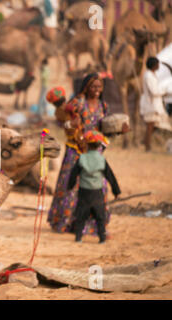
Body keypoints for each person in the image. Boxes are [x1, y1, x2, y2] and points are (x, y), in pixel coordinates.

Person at [47, 73, 110, 236]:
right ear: (86, 87)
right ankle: (66, 222)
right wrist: (71, 124)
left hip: (95, 152)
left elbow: (104, 128)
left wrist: (116, 131)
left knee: (97, 188)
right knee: (71, 186)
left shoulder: (103, 106)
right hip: (75, 150)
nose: (96, 90)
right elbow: (64, 124)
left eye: (99, 87)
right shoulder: (77, 103)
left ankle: (94, 225)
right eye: (93, 87)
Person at [68, 130, 121, 243]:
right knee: (100, 217)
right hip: (97, 193)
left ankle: (78, 237)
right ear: (99, 145)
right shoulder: (102, 160)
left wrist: (70, 186)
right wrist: (116, 191)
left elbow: (73, 175)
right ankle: (102, 238)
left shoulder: (81, 158)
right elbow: (110, 176)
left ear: (86, 144)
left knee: (81, 215)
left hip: (84, 192)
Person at [140, 56, 172, 152]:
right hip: (151, 104)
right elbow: (154, 91)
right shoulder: (148, 75)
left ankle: (145, 142)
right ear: (154, 65)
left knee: (153, 126)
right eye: (157, 64)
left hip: (155, 104)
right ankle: (147, 147)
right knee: (150, 126)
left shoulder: (152, 75)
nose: (158, 66)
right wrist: (164, 92)